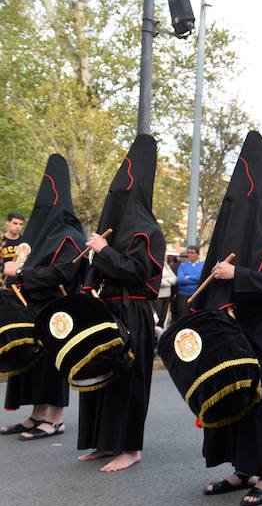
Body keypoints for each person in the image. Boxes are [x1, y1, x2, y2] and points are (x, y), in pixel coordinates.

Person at [196, 131, 262, 506]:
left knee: (261, 401)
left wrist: (239, 277)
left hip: (260, 330)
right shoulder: (223, 239)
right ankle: (241, 469)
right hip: (228, 332)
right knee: (231, 398)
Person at [78, 135, 165, 472]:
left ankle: (130, 448)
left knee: (130, 380)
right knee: (101, 374)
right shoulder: (112, 231)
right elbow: (98, 269)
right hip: (107, 310)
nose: (116, 200)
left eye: (122, 194)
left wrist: (104, 251)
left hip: (132, 310)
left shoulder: (148, 231)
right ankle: (103, 442)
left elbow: (137, 273)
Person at [1, 155, 86, 439]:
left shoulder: (70, 235)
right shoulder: (40, 235)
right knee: (34, 363)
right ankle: (37, 414)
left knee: (53, 363)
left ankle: (55, 419)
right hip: (33, 306)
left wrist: (22, 272)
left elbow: (62, 273)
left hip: (57, 309)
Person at [175, 245, 203, 319]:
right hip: (183, 295)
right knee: (183, 316)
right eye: (188, 253)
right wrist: (195, 277)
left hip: (197, 294)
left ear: (197, 254)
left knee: (196, 316)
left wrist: (188, 277)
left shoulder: (202, 265)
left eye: (192, 252)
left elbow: (201, 279)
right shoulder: (182, 265)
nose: (190, 254)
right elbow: (180, 280)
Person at [155, 259, 177, 329]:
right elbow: (157, 280)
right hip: (158, 295)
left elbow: (175, 279)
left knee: (163, 316)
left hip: (167, 295)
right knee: (157, 317)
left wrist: (165, 280)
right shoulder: (156, 264)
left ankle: (160, 332)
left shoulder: (166, 266)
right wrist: (168, 282)